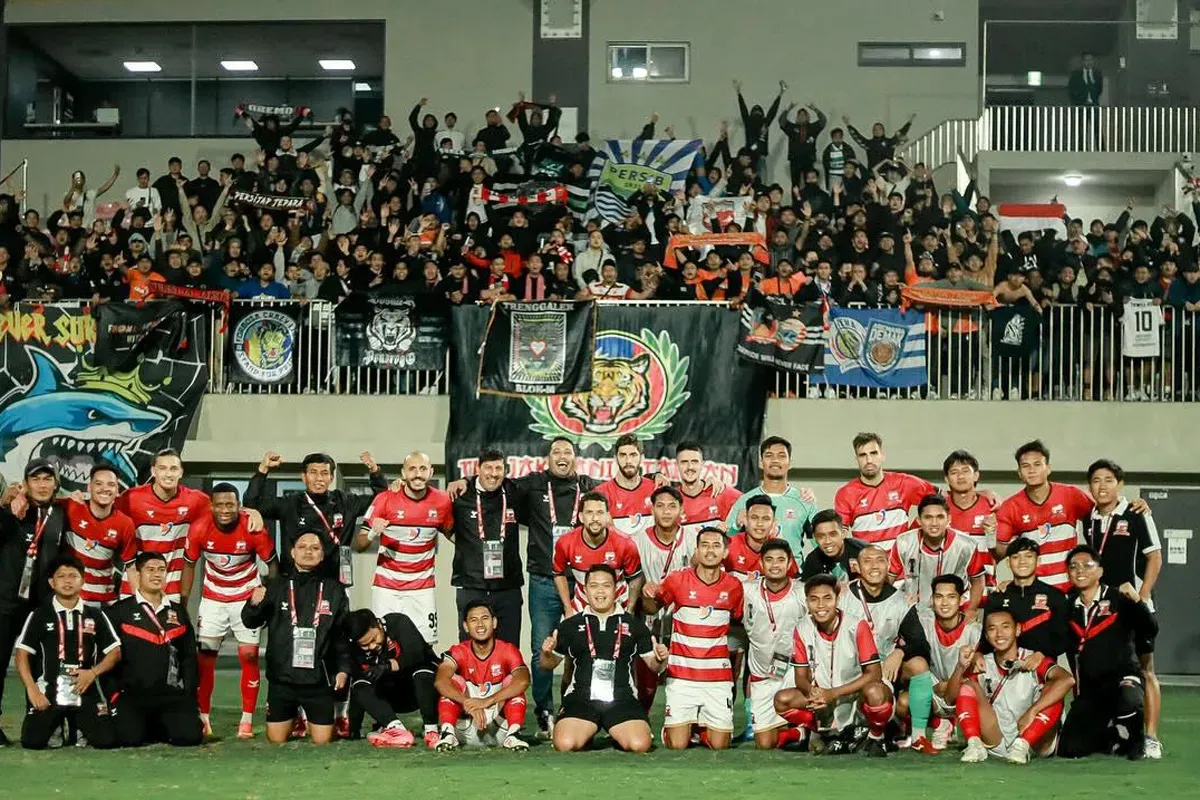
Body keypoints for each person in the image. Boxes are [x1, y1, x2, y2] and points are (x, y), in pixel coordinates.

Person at [181, 483, 277, 740]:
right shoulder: (200, 528)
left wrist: (267, 594)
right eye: (220, 505)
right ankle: (204, 720)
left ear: (239, 506)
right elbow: (189, 565)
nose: (225, 510)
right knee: (206, 659)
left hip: (246, 601)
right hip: (213, 600)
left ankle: (246, 721)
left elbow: (273, 564)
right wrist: (183, 601)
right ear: (211, 506)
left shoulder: (253, 527)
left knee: (249, 656)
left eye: (230, 505)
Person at [1083, 459, 1163, 758]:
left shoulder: (1137, 513)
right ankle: (1113, 731)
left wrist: (1141, 597)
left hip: (1134, 607)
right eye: (1096, 480)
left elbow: (1155, 558)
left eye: (1108, 480)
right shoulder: (1087, 518)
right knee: (1107, 670)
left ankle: (1152, 736)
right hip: (1104, 609)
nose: (1102, 486)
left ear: (1120, 484)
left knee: (1146, 670)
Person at [241, 532, 351, 745]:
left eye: (315, 548)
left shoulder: (334, 589)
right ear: (292, 552)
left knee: (322, 741)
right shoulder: (276, 586)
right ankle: (294, 718)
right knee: (276, 740)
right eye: (302, 547)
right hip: (283, 679)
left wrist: (343, 668)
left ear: (323, 555)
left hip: (318, 680)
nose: (308, 552)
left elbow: (341, 634)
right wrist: (253, 604)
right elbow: (250, 622)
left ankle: (309, 718)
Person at [540, 565, 665, 753]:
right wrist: (546, 653)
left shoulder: (634, 625)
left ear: (616, 589)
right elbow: (547, 665)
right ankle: (586, 732)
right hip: (581, 697)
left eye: (606, 585)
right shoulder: (570, 625)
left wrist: (660, 658)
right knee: (565, 744)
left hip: (621, 697)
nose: (600, 591)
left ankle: (617, 731)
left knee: (640, 745)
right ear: (585, 589)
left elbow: (654, 667)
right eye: (594, 586)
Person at [642, 527, 744, 750]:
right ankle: (678, 728)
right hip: (682, 676)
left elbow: (739, 625)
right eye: (704, 545)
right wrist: (646, 595)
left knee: (720, 746)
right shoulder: (677, 580)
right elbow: (652, 609)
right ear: (696, 550)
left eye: (716, 546)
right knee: (677, 745)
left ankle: (700, 727)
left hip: (717, 679)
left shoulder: (734, 587)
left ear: (725, 552)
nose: (710, 551)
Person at [775, 574, 893, 757]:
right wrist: (812, 692)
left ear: (837, 599)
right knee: (782, 700)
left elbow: (874, 674)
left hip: (856, 694)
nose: (821, 605)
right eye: (814, 599)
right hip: (825, 695)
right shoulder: (802, 628)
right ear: (807, 602)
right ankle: (825, 733)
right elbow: (800, 676)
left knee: (876, 693)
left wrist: (833, 693)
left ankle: (875, 737)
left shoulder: (857, 625)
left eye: (827, 598)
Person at [1059, 545, 1157, 760]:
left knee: (1129, 698)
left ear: (1100, 572)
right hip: (1092, 689)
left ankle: (1136, 739)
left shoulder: (1119, 599)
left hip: (1124, 679)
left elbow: (1151, 629)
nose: (1080, 570)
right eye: (1073, 566)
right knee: (1069, 749)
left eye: (1087, 565)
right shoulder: (1066, 608)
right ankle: (1112, 735)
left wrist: (1139, 601)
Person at [14, 555, 120, 750]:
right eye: (61, 576)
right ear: (51, 582)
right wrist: (32, 690)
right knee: (32, 742)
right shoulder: (39, 615)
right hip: (49, 689)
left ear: (83, 581)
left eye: (73, 576)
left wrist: (93, 673)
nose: (68, 581)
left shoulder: (95, 614)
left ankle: (75, 725)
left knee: (106, 740)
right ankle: (57, 724)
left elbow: (114, 652)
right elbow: (22, 654)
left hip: (84, 687)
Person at [838, 544, 937, 754]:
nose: (874, 566)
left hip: (881, 672)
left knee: (918, 664)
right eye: (868, 561)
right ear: (857, 567)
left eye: (880, 560)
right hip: (843, 669)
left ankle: (918, 736)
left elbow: (921, 644)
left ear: (888, 565)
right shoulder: (842, 596)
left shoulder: (900, 602)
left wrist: (899, 652)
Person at [951, 607, 1074, 764]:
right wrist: (960, 667)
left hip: (1033, 740)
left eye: (1005, 627)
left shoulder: (1033, 659)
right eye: (992, 629)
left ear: (1017, 630)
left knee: (1054, 690)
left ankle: (1022, 746)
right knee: (967, 686)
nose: (999, 634)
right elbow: (951, 698)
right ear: (987, 636)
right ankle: (974, 745)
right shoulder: (981, 663)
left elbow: (1067, 680)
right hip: (995, 737)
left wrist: (1032, 711)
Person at [355, 452, 454, 646]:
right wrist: (372, 533)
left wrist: (475, 546)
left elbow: (450, 532)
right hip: (386, 588)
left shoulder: (443, 501)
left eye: (423, 469)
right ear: (403, 472)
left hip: (422, 589)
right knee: (383, 644)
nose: (418, 474)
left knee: (425, 644)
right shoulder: (385, 499)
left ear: (431, 472)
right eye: (412, 469)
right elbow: (359, 544)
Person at [106, 551, 203, 747]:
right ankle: (147, 724)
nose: (156, 575)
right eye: (150, 570)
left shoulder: (178, 611)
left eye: (161, 570)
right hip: (132, 696)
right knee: (129, 739)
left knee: (190, 737)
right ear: (138, 575)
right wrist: (113, 696)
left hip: (169, 695)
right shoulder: (118, 612)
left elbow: (189, 658)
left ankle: (160, 723)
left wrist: (189, 697)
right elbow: (107, 659)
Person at [0, 459, 66, 746]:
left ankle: (41, 722)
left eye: (47, 479)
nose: (42, 484)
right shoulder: (11, 510)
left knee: (44, 665)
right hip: (5, 602)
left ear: (55, 484)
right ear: (25, 484)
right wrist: (7, 507)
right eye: (35, 479)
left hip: (39, 606)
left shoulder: (61, 514)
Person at [246, 450, 388, 583]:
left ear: (331, 477)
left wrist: (375, 471)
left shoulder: (345, 502)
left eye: (324, 473)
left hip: (334, 582)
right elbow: (251, 502)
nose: (319, 478)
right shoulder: (290, 503)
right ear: (304, 476)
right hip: (295, 581)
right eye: (313, 472)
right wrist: (263, 469)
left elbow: (381, 499)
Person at [448, 448, 527, 647]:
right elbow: (443, 525)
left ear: (505, 470)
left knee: (509, 648)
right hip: (471, 585)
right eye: (488, 468)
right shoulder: (461, 495)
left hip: (507, 587)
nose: (493, 473)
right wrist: (465, 542)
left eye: (498, 468)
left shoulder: (514, 492)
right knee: (470, 647)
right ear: (478, 469)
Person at [994, 440, 1095, 590]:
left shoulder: (1071, 494)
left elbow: (1104, 514)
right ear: (1019, 473)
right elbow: (1000, 553)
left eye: (1037, 464)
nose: (1032, 470)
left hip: (1071, 588)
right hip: (1033, 591)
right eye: (1025, 466)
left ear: (1048, 468)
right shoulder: (1010, 507)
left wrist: (1132, 504)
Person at [114, 448, 212, 602]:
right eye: (162, 468)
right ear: (153, 471)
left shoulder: (197, 501)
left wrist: (251, 513)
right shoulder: (131, 498)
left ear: (181, 472)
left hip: (171, 592)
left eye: (173, 469)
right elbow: (101, 509)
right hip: (133, 589)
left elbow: (227, 511)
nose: (168, 474)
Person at [434, 600, 530, 751]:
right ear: (466, 626)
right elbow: (440, 681)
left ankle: (514, 735)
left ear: (494, 622)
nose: (480, 624)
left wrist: (487, 701)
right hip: (466, 728)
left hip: (500, 729)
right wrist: (467, 702)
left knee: (512, 681)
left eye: (485, 618)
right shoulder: (458, 651)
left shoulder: (508, 650)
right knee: (452, 680)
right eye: (473, 620)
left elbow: (523, 680)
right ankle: (448, 734)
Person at [629, 486, 691, 711]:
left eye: (672, 506)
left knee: (683, 679)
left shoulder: (693, 540)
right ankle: (640, 717)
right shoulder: (636, 541)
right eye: (660, 506)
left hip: (683, 619)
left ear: (681, 510)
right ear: (652, 509)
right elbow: (630, 577)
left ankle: (687, 721)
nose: (666, 512)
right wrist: (644, 584)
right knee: (646, 682)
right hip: (649, 616)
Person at [345, 609, 442, 749]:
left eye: (374, 639)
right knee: (360, 683)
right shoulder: (355, 650)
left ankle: (431, 730)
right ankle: (397, 730)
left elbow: (417, 654)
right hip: (391, 698)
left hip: (421, 691)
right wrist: (354, 729)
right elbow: (357, 687)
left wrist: (387, 666)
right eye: (364, 645)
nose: (372, 646)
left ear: (378, 624)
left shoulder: (398, 622)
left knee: (423, 672)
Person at [742, 540, 806, 750]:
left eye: (781, 560)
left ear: (789, 564)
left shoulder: (803, 592)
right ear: (760, 564)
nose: (775, 565)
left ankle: (813, 727)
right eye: (769, 560)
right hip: (762, 677)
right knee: (765, 744)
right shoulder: (746, 591)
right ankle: (797, 732)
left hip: (794, 673)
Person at [834, 432, 936, 551]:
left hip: (902, 564)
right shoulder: (846, 494)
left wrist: (915, 529)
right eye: (862, 455)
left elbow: (940, 500)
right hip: (867, 565)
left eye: (873, 453)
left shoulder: (904, 483)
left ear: (882, 455)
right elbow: (840, 534)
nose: (869, 460)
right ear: (856, 459)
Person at [887, 494, 985, 613]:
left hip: (954, 613)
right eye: (928, 517)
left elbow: (978, 581)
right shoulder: (904, 542)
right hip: (913, 613)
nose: (934, 523)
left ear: (949, 519)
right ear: (918, 520)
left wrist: (971, 609)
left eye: (940, 517)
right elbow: (888, 580)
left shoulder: (967, 545)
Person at [915, 574, 981, 751]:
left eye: (951, 597)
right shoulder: (923, 623)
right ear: (931, 600)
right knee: (905, 702)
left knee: (966, 686)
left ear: (961, 600)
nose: (944, 603)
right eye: (939, 597)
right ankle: (941, 723)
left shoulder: (974, 631)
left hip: (960, 692)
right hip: (934, 691)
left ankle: (952, 722)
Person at [724, 437, 818, 560]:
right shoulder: (744, 500)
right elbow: (726, 542)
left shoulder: (805, 500)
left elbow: (822, 542)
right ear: (761, 462)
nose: (775, 460)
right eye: (769, 455)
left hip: (793, 576)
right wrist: (735, 527)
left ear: (790, 463)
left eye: (781, 456)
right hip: (751, 575)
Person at [59, 464, 136, 608]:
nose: (104, 489)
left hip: (105, 602)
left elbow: (131, 567)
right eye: (98, 483)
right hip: (70, 599)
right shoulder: (71, 507)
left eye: (111, 484)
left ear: (117, 491)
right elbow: (40, 501)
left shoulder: (125, 523)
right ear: (89, 487)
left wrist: (139, 604)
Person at [553, 492, 643, 613]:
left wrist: (630, 609)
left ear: (607, 516)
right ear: (580, 517)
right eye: (589, 513)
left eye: (600, 513)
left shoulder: (625, 543)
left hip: (619, 603)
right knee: (565, 630)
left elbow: (635, 578)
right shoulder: (565, 542)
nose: (595, 518)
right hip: (581, 604)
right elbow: (558, 573)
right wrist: (568, 608)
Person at [984, 539, 1072, 658]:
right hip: (1004, 669)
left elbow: (1063, 639)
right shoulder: (997, 597)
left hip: (1042, 668)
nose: (1022, 562)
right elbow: (986, 638)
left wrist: (1042, 655)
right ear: (1008, 563)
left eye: (1028, 556)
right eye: (1016, 557)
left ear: (1038, 561)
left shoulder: (1055, 596)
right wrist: (979, 654)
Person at [942, 450, 998, 595]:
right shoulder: (939, 509)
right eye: (954, 472)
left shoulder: (992, 505)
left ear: (976, 475)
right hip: (947, 594)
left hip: (986, 591)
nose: (960, 476)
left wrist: (992, 536)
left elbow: (1003, 553)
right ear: (946, 479)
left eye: (965, 471)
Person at [674, 441, 741, 538]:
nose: (690, 467)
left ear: (702, 464)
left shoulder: (719, 491)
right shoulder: (671, 498)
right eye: (684, 462)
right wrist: (655, 475)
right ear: (677, 465)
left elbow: (753, 503)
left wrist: (732, 528)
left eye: (695, 462)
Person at [595, 434, 656, 537]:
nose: (628, 461)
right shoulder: (601, 493)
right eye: (623, 455)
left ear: (642, 458)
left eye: (633, 455)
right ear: (615, 458)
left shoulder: (655, 488)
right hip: (616, 552)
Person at [800, 509, 865, 583]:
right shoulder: (813, 560)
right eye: (821, 536)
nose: (827, 541)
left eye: (833, 534)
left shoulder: (863, 552)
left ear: (843, 533)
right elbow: (806, 590)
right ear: (815, 538)